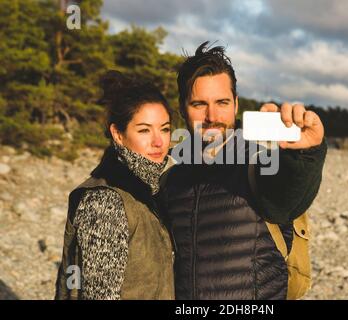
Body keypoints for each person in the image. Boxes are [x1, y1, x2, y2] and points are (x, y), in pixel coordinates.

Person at [159, 42, 328, 300]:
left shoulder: (259, 162)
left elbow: (289, 193)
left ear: (236, 105)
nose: (212, 115)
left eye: (222, 102)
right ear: (183, 108)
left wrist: (305, 153)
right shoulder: (173, 179)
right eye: (199, 104)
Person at [55, 70, 175, 300]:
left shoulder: (151, 189)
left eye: (165, 128)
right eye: (144, 130)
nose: (159, 141)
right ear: (118, 134)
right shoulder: (106, 201)